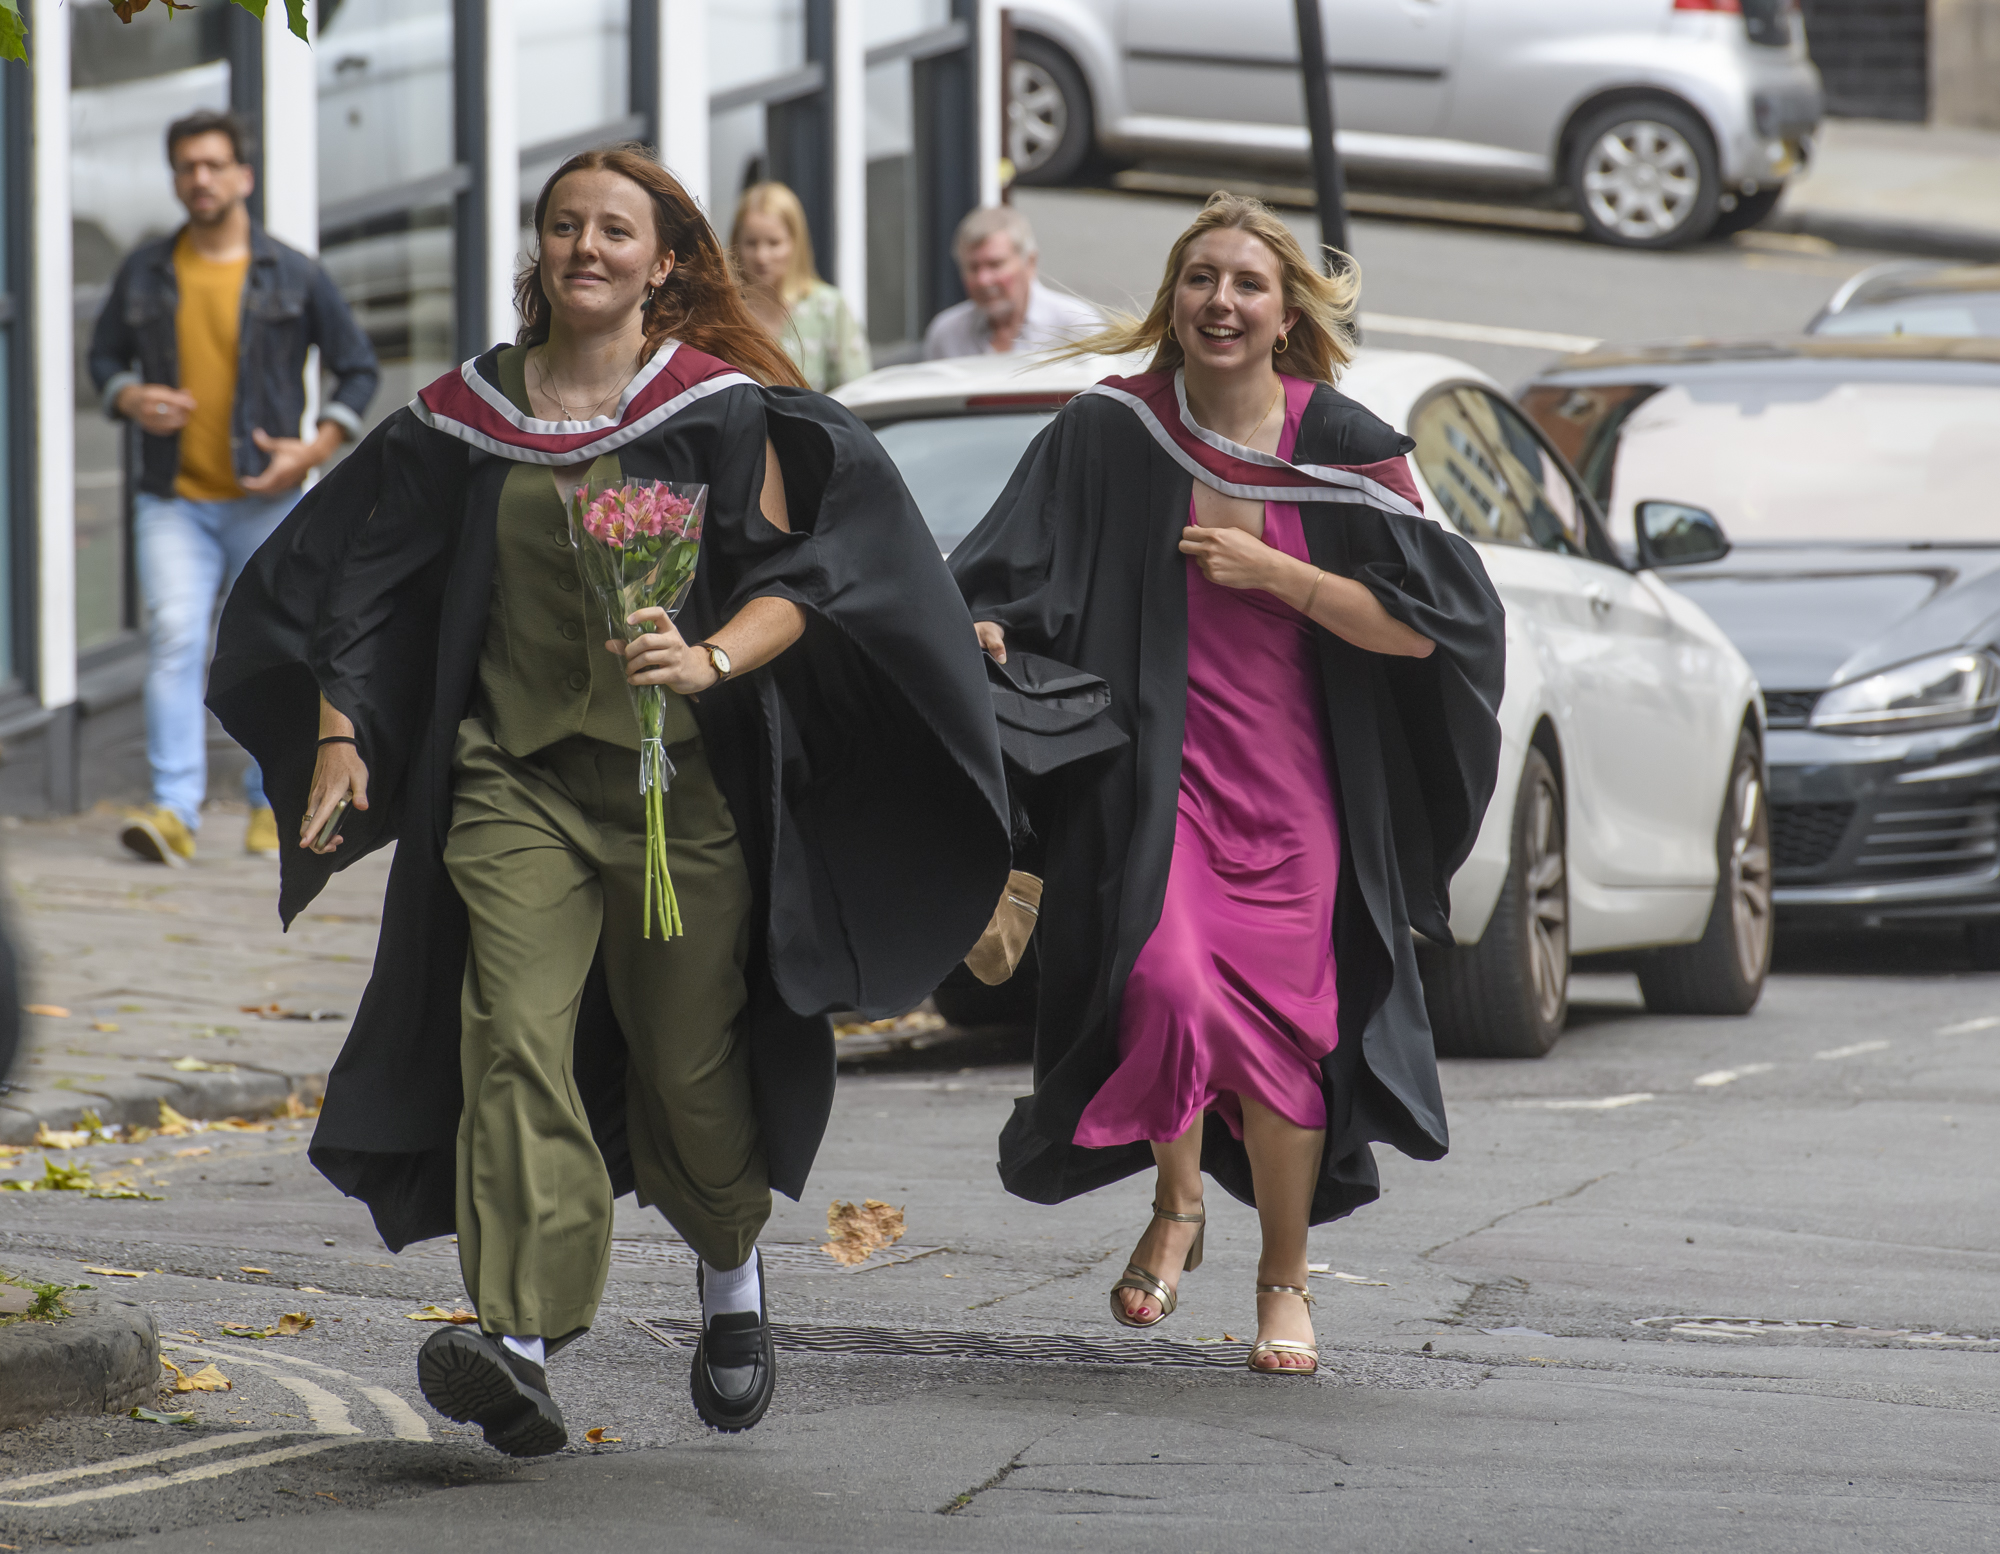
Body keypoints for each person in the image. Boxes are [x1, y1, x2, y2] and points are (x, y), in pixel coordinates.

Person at [207, 144, 1008, 1452]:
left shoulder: (715, 409)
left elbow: (804, 577)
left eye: (615, 230)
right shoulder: (468, 416)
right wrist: (342, 727)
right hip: (509, 781)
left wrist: (706, 659)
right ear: (540, 250)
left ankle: (731, 1266)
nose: (587, 245)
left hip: (676, 791)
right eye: (564, 225)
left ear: (664, 259)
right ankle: (522, 1331)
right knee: (508, 1036)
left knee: (689, 1062)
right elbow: (366, 577)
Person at [950, 193, 1505, 1375]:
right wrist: (988, 630)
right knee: (1161, 981)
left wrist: (1274, 572)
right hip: (1162, 782)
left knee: (1290, 1039)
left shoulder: (1343, 448)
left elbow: (1428, 633)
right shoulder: (1112, 431)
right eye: (1199, 279)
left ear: (1283, 310)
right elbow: (1004, 568)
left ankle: (1284, 1283)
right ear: (1172, 300)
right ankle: (1180, 1202)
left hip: (1301, 790)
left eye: (1246, 283)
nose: (1220, 301)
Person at [89, 109, 378, 866]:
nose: (202, 178)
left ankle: (269, 801)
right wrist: (129, 397)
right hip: (174, 498)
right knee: (177, 636)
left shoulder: (293, 271)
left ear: (243, 176)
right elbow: (103, 359)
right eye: (187, 166)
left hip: (269, 499)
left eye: (215, 164)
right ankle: (173, 810)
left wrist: (313, 447)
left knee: (280, 650)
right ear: (177, 178)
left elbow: (359, 367)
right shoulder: (145, 270)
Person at [729, 181, 871, 392]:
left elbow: (859, 394)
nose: (762, 256)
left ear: (795, 243)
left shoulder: (828, 309)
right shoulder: (725, 311)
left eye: (774, 243)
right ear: (736, 245)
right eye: (751, 243)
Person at [922, 205, 1101, 360]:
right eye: (973, 268)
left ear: (1030, 263)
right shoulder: (946, 334)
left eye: (995, 265)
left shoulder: (1076, 327)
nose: (983, 280)